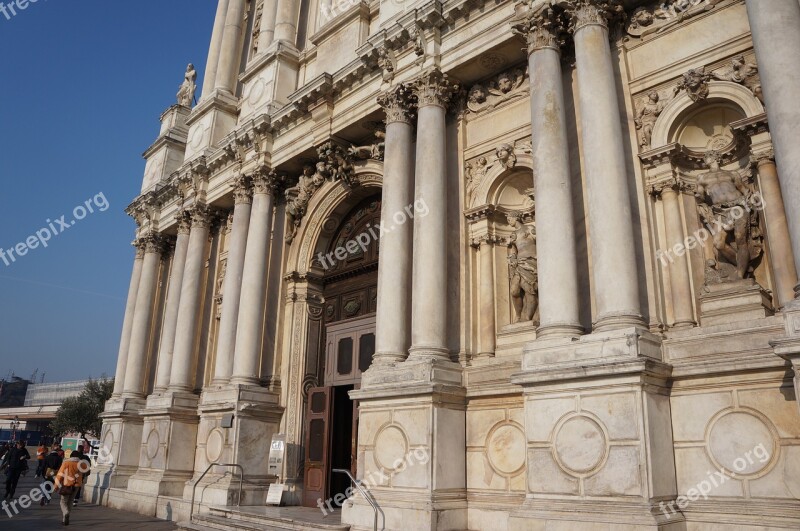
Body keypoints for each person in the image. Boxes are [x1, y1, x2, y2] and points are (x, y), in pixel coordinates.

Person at [54, 450, 83, 526]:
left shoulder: (66, 463)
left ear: (71, 456)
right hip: (76, 485)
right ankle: (65, 519)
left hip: (67, 485)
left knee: (63, 501)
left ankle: (65, 512)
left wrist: (56, 485)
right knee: (70, 501)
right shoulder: (82, 464)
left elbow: (60, 475)